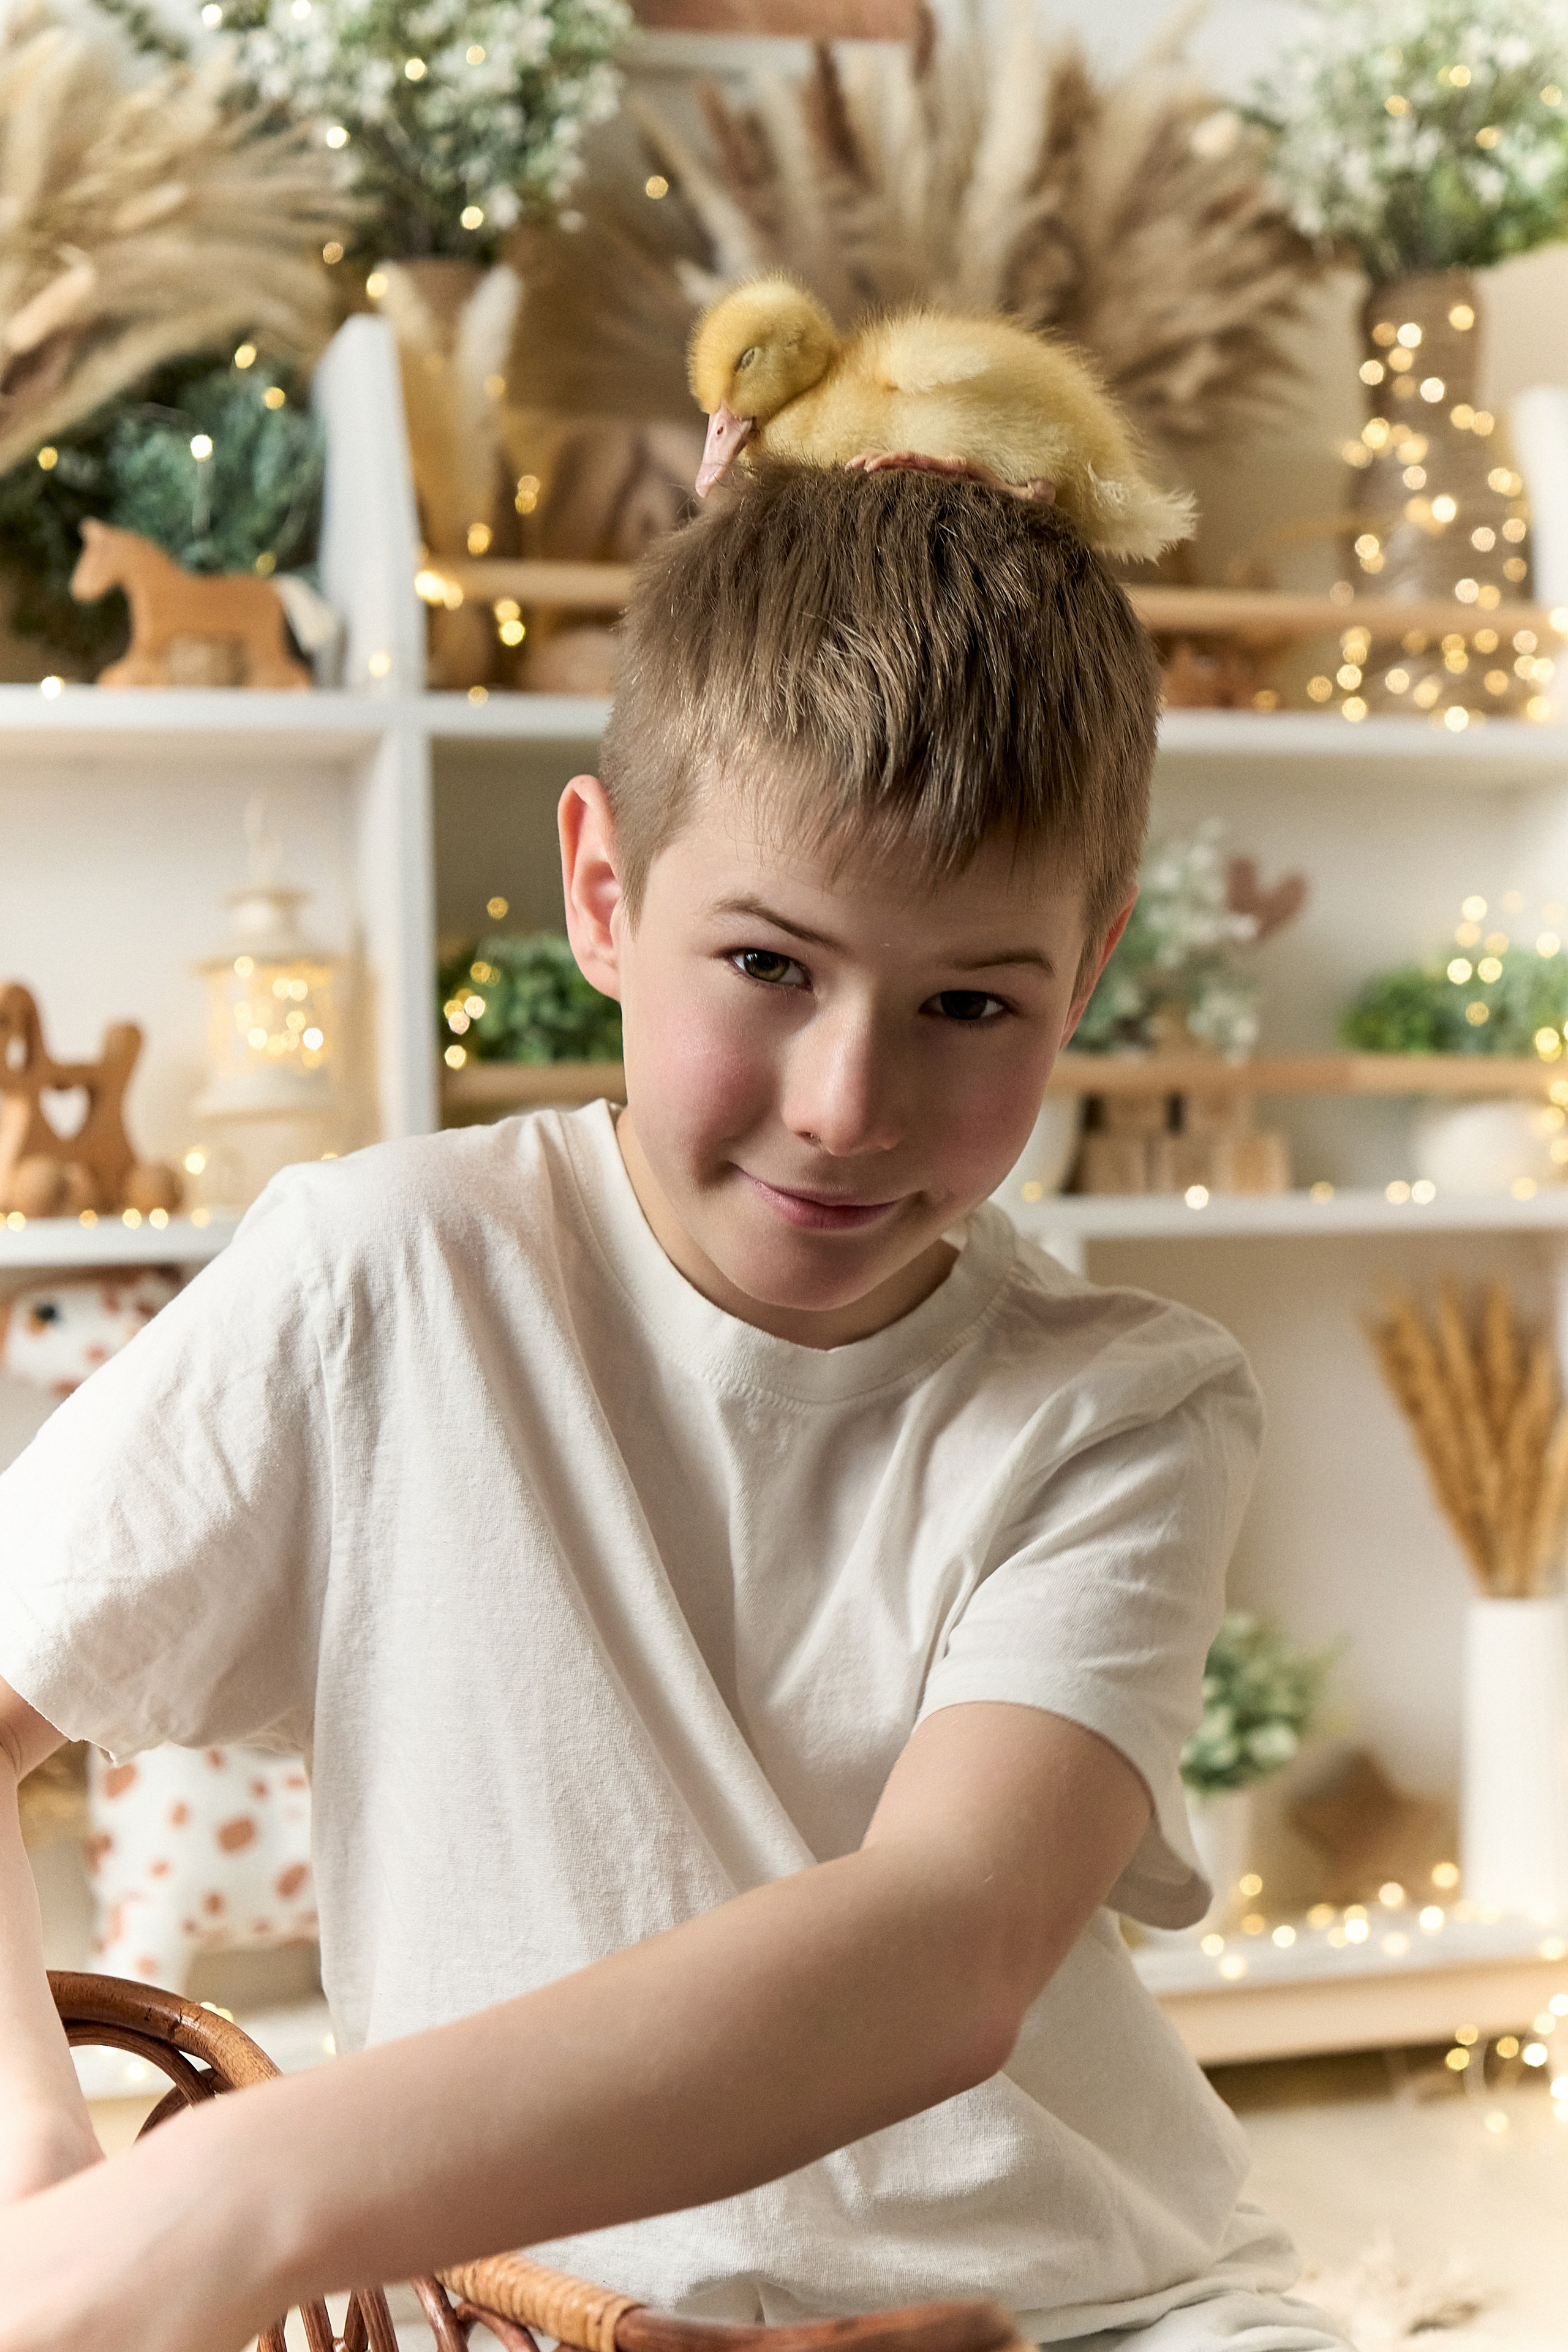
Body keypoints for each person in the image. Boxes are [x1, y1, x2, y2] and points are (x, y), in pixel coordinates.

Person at [0, 463, 1345, 2352]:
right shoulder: (377, 1273)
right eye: (770, 966)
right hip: (541, 2314)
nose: (845, 1102)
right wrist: (49, 2190)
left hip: (1094, 2310)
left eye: (973, 1007)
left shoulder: (1126, 1407)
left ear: (1090, 970)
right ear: (603, 891)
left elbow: (948, 1943)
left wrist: (235, 2192)